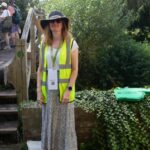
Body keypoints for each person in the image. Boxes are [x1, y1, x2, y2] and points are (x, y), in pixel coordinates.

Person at [37, 11, 78, 150]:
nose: (55, 23)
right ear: (48, 24)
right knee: (49, 124)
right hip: (48, 91)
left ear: (63, 24)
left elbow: (75, 70)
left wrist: (69, 90)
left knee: (65, 126)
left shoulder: (71, 43)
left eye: (58, 21)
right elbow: (40, 69)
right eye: (52, 21)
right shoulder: (43, 44)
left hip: (64, 92)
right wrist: (38, 92)